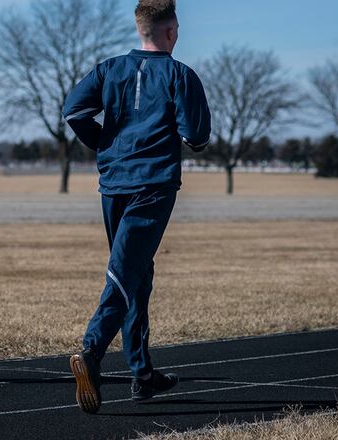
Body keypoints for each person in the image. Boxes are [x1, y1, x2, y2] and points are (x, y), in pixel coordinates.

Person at [63, 0, 211, 413]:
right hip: (153, 185)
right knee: (126, 272)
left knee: (137, 271)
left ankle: (142, 373)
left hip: (113, 184)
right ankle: (91, 351)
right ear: (170, 31)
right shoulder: (180, 75)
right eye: (177, 28)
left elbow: (73, 110)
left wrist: (105, 144)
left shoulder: (108, 69)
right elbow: (197, 135)